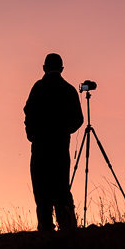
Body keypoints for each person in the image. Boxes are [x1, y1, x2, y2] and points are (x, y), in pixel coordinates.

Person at [23, 53, 84, 231]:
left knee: (41, 188)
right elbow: (78, 119)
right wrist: (64, 131)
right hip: (60, 147)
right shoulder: (69, 89)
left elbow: (28, 112)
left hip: (40, 146)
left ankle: (45, 228)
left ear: (44, 68)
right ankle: (67, 227)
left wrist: (32, 134)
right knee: (61, 187)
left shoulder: (38, 88)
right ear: (62, 69)